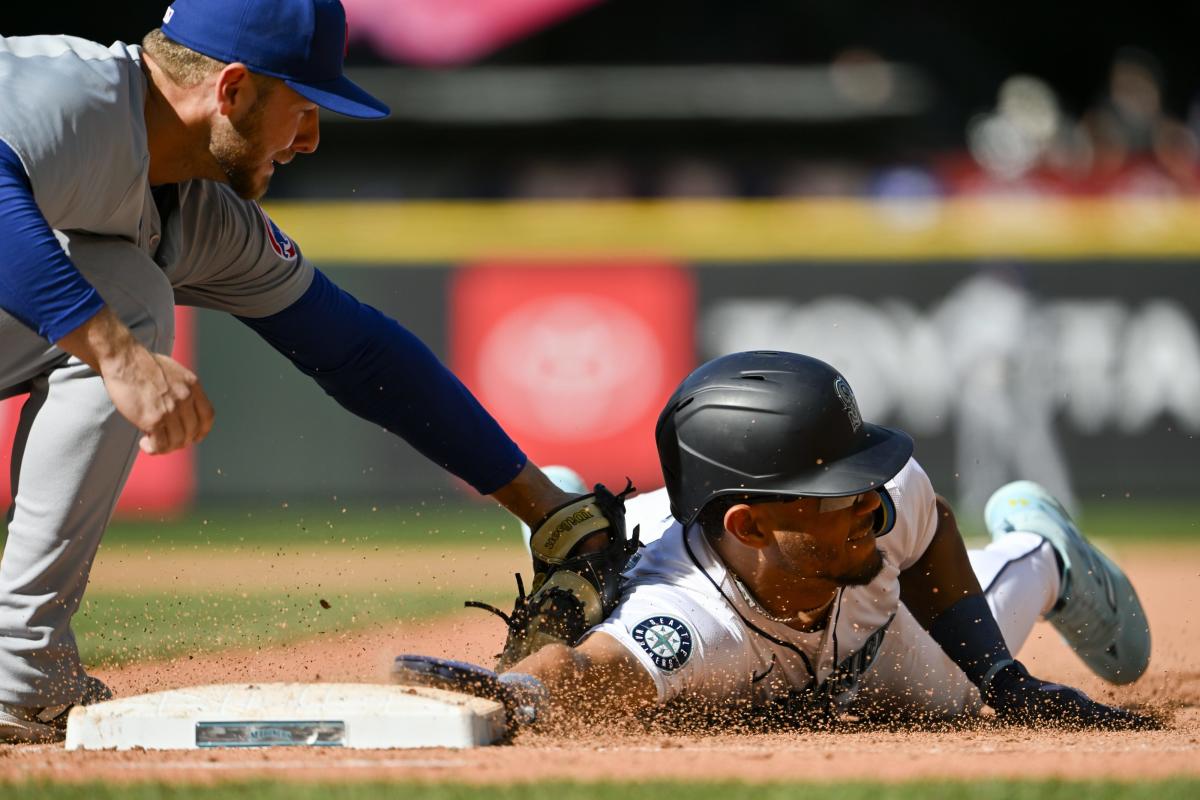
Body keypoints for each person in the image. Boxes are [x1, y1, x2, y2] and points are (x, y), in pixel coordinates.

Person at [0, 0, 623, 744]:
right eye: (303, 107)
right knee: (127, 309)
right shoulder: (66, 95)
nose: (313, 138)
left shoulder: (201, 214)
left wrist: (543, 506)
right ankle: (19, 670)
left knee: (126, 293)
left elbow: (357, 352)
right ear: (232, 90)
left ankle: (20, 677)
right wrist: (115, 353)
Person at [395, 351, 1155, 730]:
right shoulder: (688, 620)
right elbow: (591, 672)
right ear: (748, 524)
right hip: (685, 571)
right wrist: (519, 694)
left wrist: (1002, 678)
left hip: (857, 626)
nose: (868, 499)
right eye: (833, 492)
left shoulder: (880, 500)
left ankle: (1042, 549)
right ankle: (569, 518)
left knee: (952, 698)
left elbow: (935, 527)